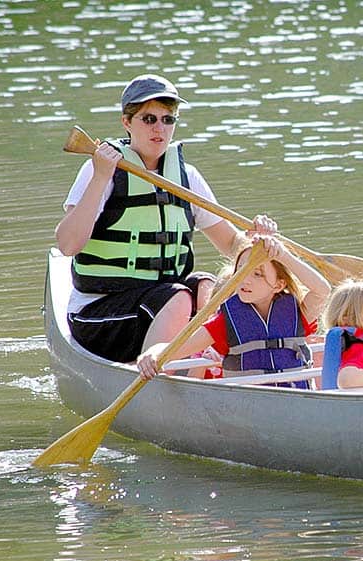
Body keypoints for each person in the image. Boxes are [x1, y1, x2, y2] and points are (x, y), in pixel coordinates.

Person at [57, 73, 277, 363]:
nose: (159, 128)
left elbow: (232, 244)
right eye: (149, 119)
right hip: (100, 315)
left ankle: (207, 367)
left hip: (160, 304)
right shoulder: (101, 169)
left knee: (207, 286)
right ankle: (155, 374)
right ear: (127, 122)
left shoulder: (187, 177)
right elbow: (67, 244)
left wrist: (258, 242)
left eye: (167, 119)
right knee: (178, 297)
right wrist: (100, 177)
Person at [136, 235, 331, 388]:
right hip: (247, 405)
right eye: (241, 270)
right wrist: (154, 352)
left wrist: (283, 255)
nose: (245, 280)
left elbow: (323, 290)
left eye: (257, 274)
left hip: (295, 399)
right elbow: (177, 348)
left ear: (279, 284)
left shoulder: (297, 312)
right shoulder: (226, 321)